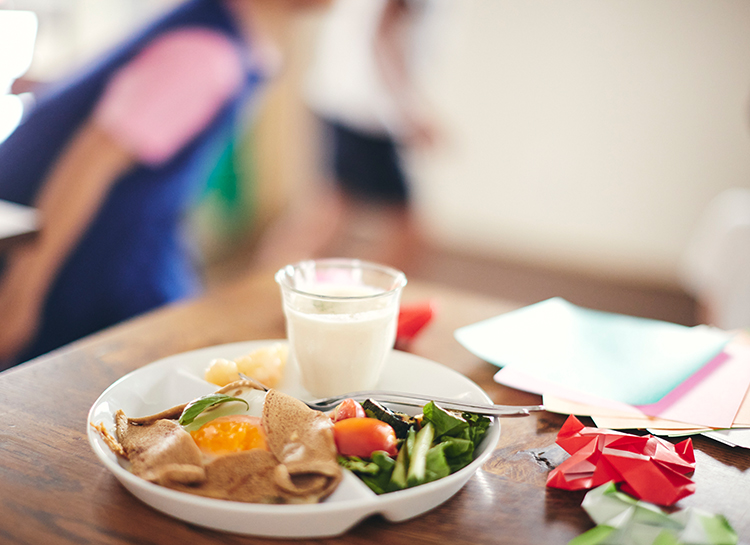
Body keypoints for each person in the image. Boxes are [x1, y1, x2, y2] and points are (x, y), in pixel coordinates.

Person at [0, 0, 328, 369]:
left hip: (132, 232)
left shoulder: (227, 37)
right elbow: (87, 167)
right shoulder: (206, 55)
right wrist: (20, 297)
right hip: (81, 255)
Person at [252, 0, 441, 272]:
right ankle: (355, 298)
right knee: (410, 232)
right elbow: (383, 36)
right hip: (366, 112)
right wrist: (410, 110)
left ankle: (273, 285)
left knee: (329, 213)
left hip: (346, 102)